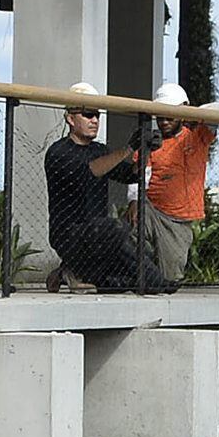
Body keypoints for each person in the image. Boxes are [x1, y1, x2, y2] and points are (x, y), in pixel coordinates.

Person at [42, 84, 147, 292]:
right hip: (69, 234)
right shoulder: (58, 152)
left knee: (123, 283)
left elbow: (131, 175)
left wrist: (146, 150)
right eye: (88, 114)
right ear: (70, 119)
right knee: (117, 228)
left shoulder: (100, 150)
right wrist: (128, 148)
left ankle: (68, 271)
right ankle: (73, 268)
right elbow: (88, 171)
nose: (95, 120)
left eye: (97, 115)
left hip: (98, 235)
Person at [139, 81, 209, 286]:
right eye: (159, 116)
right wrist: (135, 201)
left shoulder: (198, 137)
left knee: (171, 278)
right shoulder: (153, 142)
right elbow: (141, 174)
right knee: (130, 235)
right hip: (153, 209)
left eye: (169, 115)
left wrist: (190, 111)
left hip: (179, 219)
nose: (164, 121)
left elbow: (216, 114)